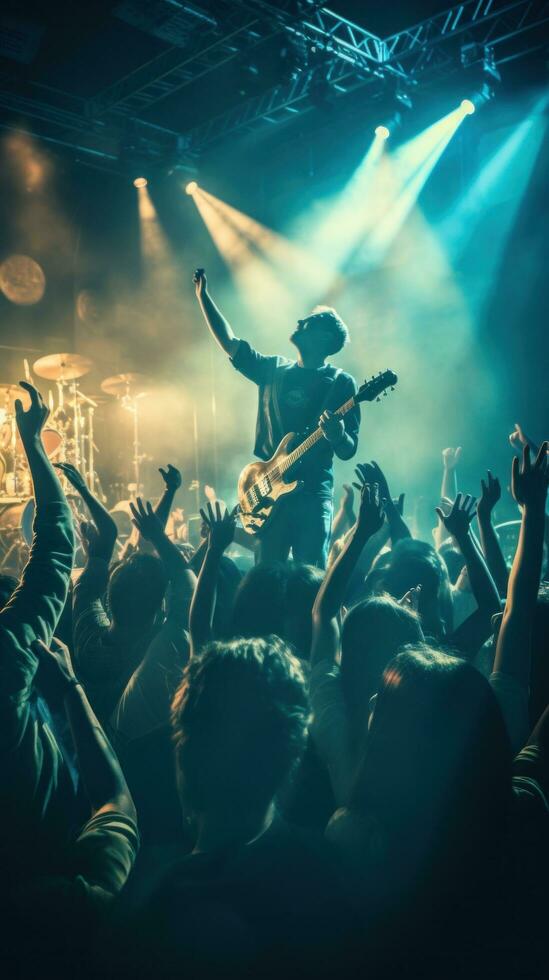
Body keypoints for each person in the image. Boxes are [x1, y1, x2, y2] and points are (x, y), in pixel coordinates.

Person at [193, 267, 360, 568]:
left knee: (310, 574)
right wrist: (203, 297)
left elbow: (349, 449)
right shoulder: (273, 370)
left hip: (312, 494)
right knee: (267, 575)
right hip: (269, 491)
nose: (299, 322)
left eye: (307, 323)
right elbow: (230, 342)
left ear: (323, 338)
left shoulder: (341, 383)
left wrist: (337, 435)